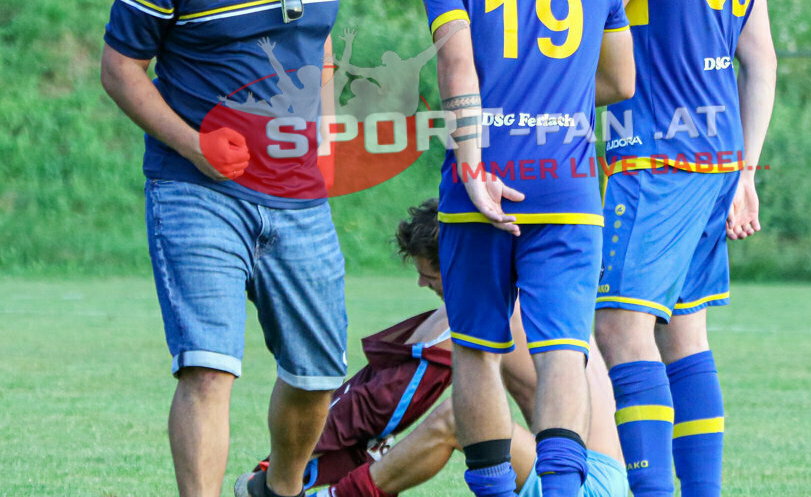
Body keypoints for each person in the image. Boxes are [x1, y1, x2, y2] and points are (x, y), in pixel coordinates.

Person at [100, 0, 348, 497]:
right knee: (208, 367)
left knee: (316, 377)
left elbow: (319, 42)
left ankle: (281, 489)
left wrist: (324, 133)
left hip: (298, 193)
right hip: (196, 191)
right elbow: (120, 69)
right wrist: (192, 145)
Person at [418, 0, 636, 497]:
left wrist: (476, 164)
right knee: (565, 349)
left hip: (483, 185)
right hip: (569, 186)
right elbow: (622, 83)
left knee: (479, 350)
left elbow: (457, 65)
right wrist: (562, 94)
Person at [592, 0, 778, 497]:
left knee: (621, 329)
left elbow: (601, 35)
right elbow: (758, 59)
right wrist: (748, 171)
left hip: (659, 156)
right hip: (718, 161)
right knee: (683, 336)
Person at [238, 198, 629, 497]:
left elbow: (388, 399)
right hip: (588, 471)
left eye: (429, 276)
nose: (424, 286)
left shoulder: (493, 302)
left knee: (458, 417)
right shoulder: (530, 285)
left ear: (456, 265)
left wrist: (281, 468)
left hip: (585, 482)